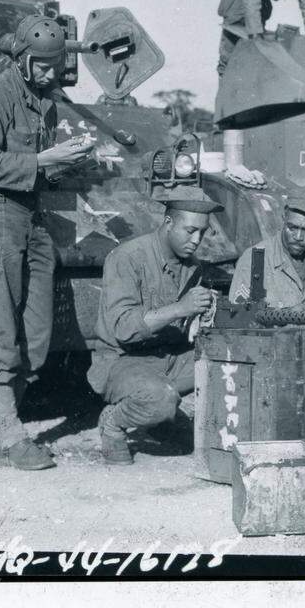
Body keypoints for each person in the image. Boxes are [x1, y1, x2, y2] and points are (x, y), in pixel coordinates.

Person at [0, 15, 96, 470]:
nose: (49, 73)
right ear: (20, 59)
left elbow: (38, 168)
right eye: (40, 64)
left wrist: (71, 161)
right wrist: (43, 158)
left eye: (55, 65)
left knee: (37, 338)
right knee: (2, 329)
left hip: (32, 218)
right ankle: (9, 432)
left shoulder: (46, 103)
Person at [89, 189, 224, 465]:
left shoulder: (192, 266)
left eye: (203, 233)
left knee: (225, 367)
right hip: (123, 361)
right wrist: (182, 308)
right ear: (168, 223)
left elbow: (186, 325)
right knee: (160, 399)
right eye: (190, 231)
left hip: (169, 358)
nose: (196, 240)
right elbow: (123, 329)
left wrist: (206, 315)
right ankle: (113, 422)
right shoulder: (127, 257)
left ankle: (162, 420)